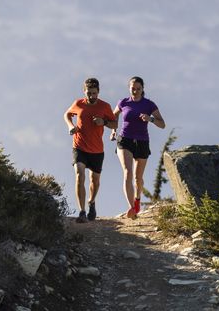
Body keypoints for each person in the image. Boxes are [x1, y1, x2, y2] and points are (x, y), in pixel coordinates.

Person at [110, 76, 166, 219]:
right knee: (128, 173)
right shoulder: (123, 102)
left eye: (138, 89)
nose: (135, 91)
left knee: (138, 178)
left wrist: (150, 119)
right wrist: (113, 130)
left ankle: (137, 199)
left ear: (142, 89)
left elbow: (162, 124)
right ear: (129, 88)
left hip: (142, 142)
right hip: (125, 140)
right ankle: (131, 207)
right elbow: (114, 116)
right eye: (132, 88)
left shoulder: (149, 104)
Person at [64, 77, 116, 223]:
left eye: (94, 93)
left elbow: (114, 124)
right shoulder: (78, 103)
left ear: (98, 92)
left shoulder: (104, 107)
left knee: (95, 181)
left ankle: (91, 202)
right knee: (80, 176)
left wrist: (103, 122)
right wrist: (70, 125)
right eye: (89, 93)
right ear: (84, 91)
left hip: (97, 150)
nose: (91, 96)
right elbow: (67, 114)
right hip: (79, 147)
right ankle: (81, 212)